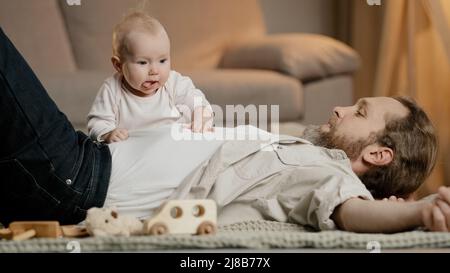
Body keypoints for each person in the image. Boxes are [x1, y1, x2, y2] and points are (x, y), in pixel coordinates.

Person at [1, 26, 450, 233]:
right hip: (84, 159)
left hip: (78, 179)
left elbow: (352, 212)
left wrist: (417, 212)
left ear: (377, 154)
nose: (339, 107)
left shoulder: (326, 173)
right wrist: (397, 191)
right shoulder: (304, 142)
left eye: (360, 112)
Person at [87, 12, 213, 143]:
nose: (154, 71)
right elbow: (97, 123)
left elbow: (194, 98)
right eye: (143, 62)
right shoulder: (112, 90)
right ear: (118, 65)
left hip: (172, 145)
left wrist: (200, 112)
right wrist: (108, 134)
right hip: (135, 152)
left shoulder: (174, 83)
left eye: (162, 60)